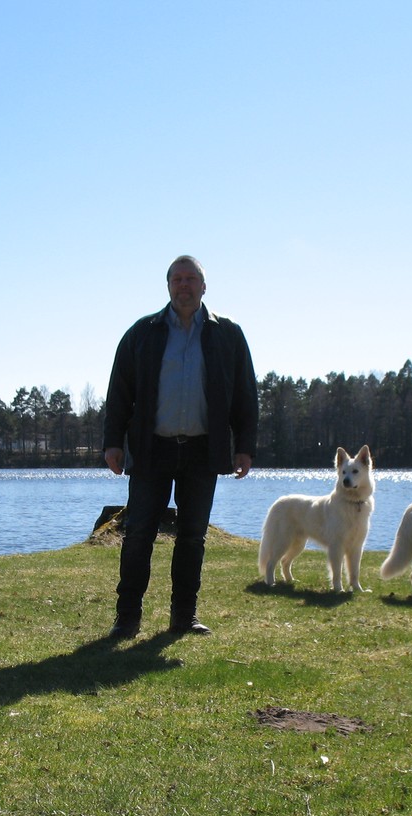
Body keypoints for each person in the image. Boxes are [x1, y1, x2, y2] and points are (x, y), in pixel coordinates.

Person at [102, 255, 258, 638]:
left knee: (192, 537)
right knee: (138, 534)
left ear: (204, 287)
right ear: (168, 285)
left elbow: (244, 394)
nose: (184, 285)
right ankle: (127, 618)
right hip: (151, 449)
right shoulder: (143, 333)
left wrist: (245, 446)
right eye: (177, 279)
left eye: (191, 279)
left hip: (203, 451)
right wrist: (112, 443)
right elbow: (119, 392)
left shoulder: (228, 334)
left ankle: (183, 617)